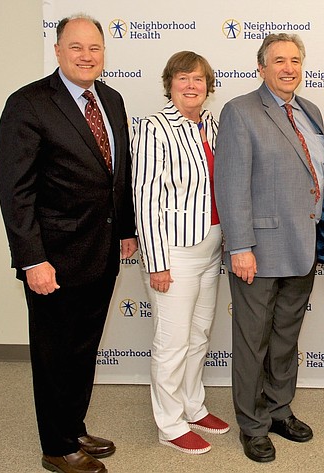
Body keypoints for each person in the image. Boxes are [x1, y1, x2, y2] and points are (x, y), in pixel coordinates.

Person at [0, 15, 137, 473]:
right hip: (52, 258)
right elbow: (15, 191)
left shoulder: (111, 100)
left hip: (101, 251)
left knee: (83, 348)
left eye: (94, 48)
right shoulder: (29, 104)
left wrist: (126, 230)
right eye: (76, 47)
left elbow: (117, 175)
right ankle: (57, 447)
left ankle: (73, 425)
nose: (86, 55)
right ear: (57, 51)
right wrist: (32, 258)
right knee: (55, 353)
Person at [214, 33, 324, 463]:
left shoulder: (310, 111)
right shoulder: (240, 111)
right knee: (253, 341)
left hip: (303, 245)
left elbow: (320, 179)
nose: (289, 68)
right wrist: (240, 246)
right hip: (259, 250)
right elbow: (230, 184)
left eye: (295, 60)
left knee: (286, 337)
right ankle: (252, 425)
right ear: (261, 67)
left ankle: (279, 410)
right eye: (279, 60)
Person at [131, 51, 229, 455]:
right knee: (171, 343)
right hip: (175, 253)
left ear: (208, 87)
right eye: (183, 78)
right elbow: (145, 197)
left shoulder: (211, 124)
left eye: (199, 79)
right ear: (169, 83)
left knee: (199, 334)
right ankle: (169, 424)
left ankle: (192, 405)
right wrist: (157, 262)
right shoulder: (154, 128)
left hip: (211, 248)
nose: (192, 86)